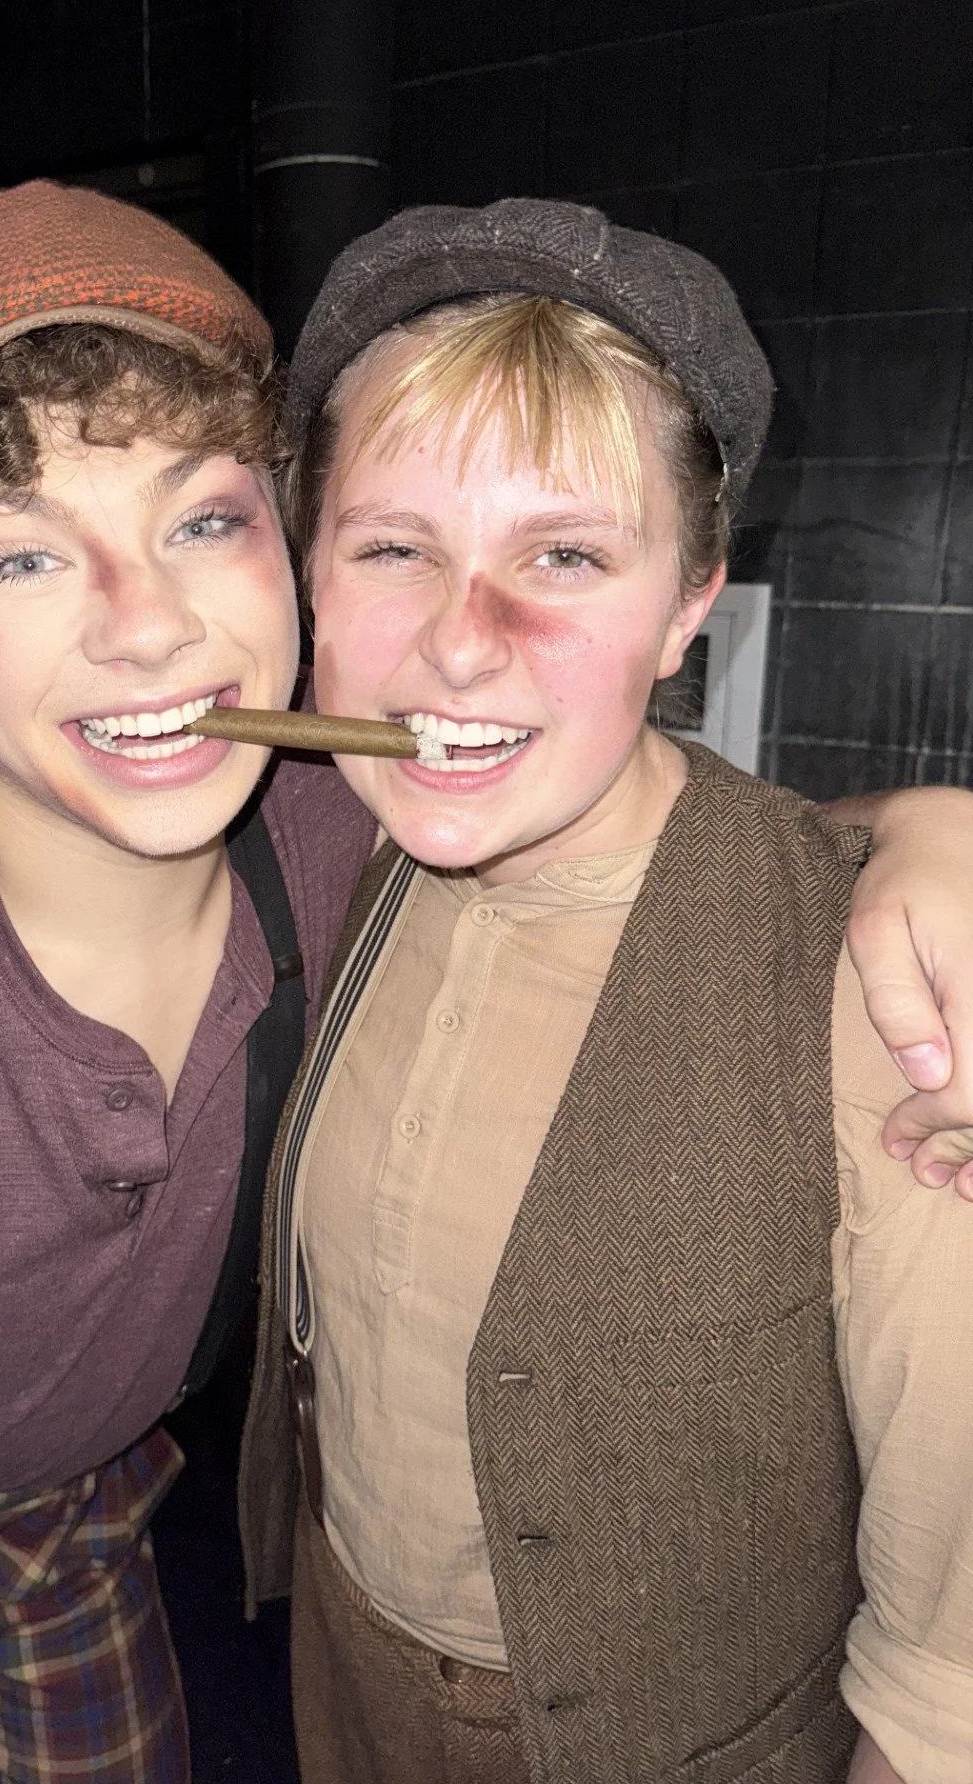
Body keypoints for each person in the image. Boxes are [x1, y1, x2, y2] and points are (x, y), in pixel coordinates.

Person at [0, 184, 968, 1784]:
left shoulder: (339, 821)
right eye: (20, 555)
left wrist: (924, 831)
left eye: (201, 520)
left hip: (58, 1519)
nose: (147, 628)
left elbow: (637, 843)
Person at [238, 200, 973, 1784]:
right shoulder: (327, 846)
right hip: (335, 1672)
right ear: (310, 570)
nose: (457, 648)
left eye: (562, 555)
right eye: (391, 548)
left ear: (691, 599)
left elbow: (951, 1663)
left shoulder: (880, 1005)